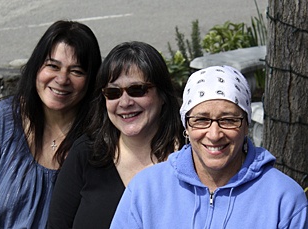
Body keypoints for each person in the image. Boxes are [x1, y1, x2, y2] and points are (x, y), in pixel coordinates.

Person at [110, 65, 308, 228]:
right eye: (201, 120)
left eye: (229, 120)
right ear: (186, 125)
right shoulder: (146, 190)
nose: (214, 135)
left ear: (246, 125)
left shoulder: (284, 199)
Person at [47, 41, 184, 228]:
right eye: (113, 93)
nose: (125, 102)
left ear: (162, 94)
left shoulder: (190, 156)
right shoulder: (86, 154)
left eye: (137, 90)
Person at [0, 20, 102, 228]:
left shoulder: (99, 139)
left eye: (76, 71)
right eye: (53, 66)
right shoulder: (2, 120)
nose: (62, 79)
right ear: (36, 66)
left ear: (91, 80)